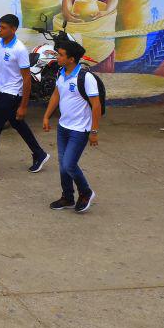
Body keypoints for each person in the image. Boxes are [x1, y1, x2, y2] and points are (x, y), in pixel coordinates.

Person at [0, 13, 50, 179]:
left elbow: (27, 79)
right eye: (0, 26)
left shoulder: (19, 50)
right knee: (18, 124)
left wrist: (24, 106)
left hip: (12, 94)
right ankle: (39, 154)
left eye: (4, 28)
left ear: (13, 29)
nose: (0, 30)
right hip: (3, 90)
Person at [42, 38, 100, 213]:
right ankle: (67, 197)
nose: (57, 57)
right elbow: (56, 95)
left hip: (80, 130)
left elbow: (96, 105)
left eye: (61, 55)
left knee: (69, 164)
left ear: (71, 59)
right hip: (63, 127)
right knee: (63, 165)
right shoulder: (61, 73)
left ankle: (86, 192)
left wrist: (94, 131)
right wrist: (46, 116)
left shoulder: (86, 78)